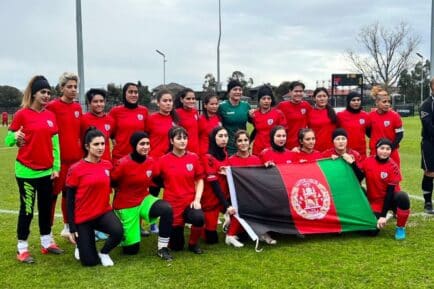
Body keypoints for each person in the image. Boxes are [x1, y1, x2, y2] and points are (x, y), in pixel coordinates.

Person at [5, 75, 63, 263]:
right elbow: (8, 139)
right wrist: (15, 137)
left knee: (46, 209)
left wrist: (56, 167)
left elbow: (55, 145)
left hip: (46, 172)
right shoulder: (22, 114)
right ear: (34, 94)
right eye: (43, 92)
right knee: (27, 210)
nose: (46, 96)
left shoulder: (50, 116)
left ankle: (47, 243)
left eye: (48, 92)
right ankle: (22, 248)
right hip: (26, 172)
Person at [111, 132, 174, 261]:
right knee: (131, 250)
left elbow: (157, 180)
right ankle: (119, 230)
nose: (145, 147)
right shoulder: (122, 163)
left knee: (166, 208)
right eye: (142, 144)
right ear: (134, 145)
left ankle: (162, 248)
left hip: (144, 199)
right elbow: (112, 183)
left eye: (147, 144)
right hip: (126, 205)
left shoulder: (151, 161)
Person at [66, 128, 123, 266]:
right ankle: (81, 244)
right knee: (90, 262)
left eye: (103, 144)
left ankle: (103, 253)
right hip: (83, 217)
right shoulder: (76, 169)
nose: (100, 147)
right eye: (96, 144)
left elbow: (118, 183)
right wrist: (72, 227)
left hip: (103, 212)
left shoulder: (107, 165)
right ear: (87, 146)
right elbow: (70, 200)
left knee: (118, 232)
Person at [342, 138, 410, 240]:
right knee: (372, 231)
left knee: (403, 196)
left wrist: (383, 216)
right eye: (382, 148)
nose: (385, 151)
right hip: (375, 202)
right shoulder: (368, 161)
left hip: (390, 199)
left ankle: (400, 227)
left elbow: (389, 193)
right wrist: (352, 163)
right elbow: (360, 177)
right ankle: (378, 216)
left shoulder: (393, 167)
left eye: (388, 149)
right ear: (376, 149)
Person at [155, 126, 205, 254]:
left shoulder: (193, 158)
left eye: (185, 138)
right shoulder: (163, 160)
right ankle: (173, 234)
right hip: (172, 205)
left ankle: (193, 244)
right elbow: (153, 178)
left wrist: (197, 199)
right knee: (176, 246)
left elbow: (200, 179)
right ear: (171, 141)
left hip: (189, 202)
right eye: (179, 138)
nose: (183, 141)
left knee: (199, 217)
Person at [46, 72, 82, 239]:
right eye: (69, 87)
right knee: (52, 196)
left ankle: (68, 227)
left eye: (75, 87)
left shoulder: (77, 108)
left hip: (75, 161)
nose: (73, 90)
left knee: (69, 195)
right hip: (58, 162)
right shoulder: (52, 106)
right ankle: (48, 231)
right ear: (62, 88)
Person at [226, 130, 262, 247]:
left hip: (253, 196)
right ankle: (230, 235)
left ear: (249, 142)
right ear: (236, 144)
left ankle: (262, 231)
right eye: (240, 141)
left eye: (245, 140)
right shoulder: (230, 161)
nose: (243, 143)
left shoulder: (256, 160)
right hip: (237, 198)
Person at [200, 126, 234, 245]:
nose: (224, 139)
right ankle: (202, 224)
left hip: (225, 195)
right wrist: (226, 204)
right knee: (211, 240)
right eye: (220, 136)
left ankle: (229, 220)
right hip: (212, 199)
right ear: (213, 138)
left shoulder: (225, 153)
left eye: (225, 136)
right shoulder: (207, 157)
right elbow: (214, 184)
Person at [109, 82, 148, 163]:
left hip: (139, 157)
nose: (134, 94)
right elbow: (110, 132)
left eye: (136, 92)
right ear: (124, 94)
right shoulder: (115, 111)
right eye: (130, 92)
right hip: (120, 157)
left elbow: (147, 132)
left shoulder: (144, 111)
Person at [368, 85, 403, 168]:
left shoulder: (395, 116)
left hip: (391, 152)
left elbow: (400, 134)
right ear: (377, 102)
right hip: (375, 152)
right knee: (374, 177)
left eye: (389, 102)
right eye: (384, 102)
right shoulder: (370, 116)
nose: (387, 104)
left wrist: (389, 148)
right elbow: (368, 132)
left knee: (393, 179)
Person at [251, 85, 287, 156]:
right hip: (257, 150)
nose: (266, 101)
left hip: (273, 150)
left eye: (269, 98)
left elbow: (283, 134)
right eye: (263, 98)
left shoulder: (278, 114)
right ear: (259, 100)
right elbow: (255, 130)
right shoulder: (254, 114)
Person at [218, 80, 251, 155]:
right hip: (228, 148)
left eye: (240, 90)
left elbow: (256, 125)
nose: (238, 92)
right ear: (229, 92)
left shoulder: (246, 106)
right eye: (235, 89)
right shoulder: (222, 107)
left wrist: (249, 140)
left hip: (243, 146)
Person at [80, 88, 114, 161]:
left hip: (106, 163)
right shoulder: (82, 120)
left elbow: (113, 140)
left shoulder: (110, 120)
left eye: (101, 101)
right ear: (89, 103)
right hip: (89, 163)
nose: (99, 104)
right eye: (95, 101)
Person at [276, 81, 312, 150]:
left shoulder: (306, 105)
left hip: (302, 145)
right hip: (286, 145)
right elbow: (270, 114)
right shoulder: (282, 106)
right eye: (296, 91)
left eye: (301, 91)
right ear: (290, 92)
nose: (298, 93)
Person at [336, 91, 370, 159]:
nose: (356, 102)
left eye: (358, 100)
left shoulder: (365, 115)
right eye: (353, 100)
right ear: (348, 102)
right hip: (345, 151)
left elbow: (370, 133)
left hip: (361, 152)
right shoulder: (340, 115)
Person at [147, 89, 178, 158]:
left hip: (171, 159)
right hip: (155, 159)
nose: (168, 103)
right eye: (165, 101)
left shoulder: (176, 119)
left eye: (170, 100)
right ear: (158, 103)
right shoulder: (151, 119)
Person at [420, 77, 434, 214]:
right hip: (430, 143)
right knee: (430, 172)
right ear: (431, 87)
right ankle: (428, 202)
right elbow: (429, 127)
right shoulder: (426, 105)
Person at [307, 87, 337, 152]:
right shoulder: (309, 113)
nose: (322, 98)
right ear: (314, 98)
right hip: (315, 150)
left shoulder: (333, 112)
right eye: (319, 96)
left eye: (324, 96)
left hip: (332, 150)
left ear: (327, 98)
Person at [175, 88, 200, 154]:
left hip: (196, 150)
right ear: (181, 100)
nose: (191, 101)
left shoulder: (195, 112)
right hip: (183, 150)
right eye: (188, 99)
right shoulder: (176, 113)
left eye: (193, 98)